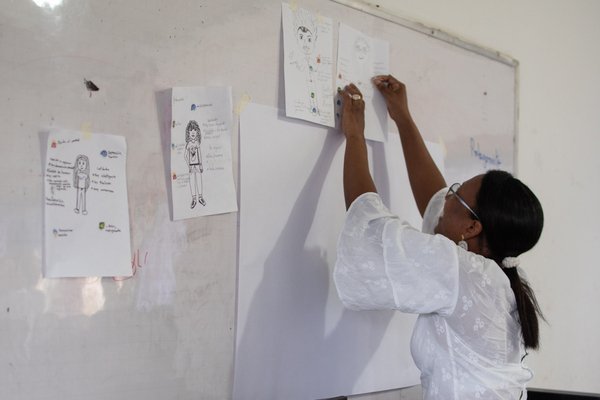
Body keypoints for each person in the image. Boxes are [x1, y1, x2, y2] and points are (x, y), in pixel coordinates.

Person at [334, 75, 544, 399]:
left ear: (472, 228)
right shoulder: (495, 268)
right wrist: (402, 119)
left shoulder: (461, 270)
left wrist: (355, 136)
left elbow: (370, 227)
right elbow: (437, 202)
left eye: (456, 192)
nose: (448, 194)